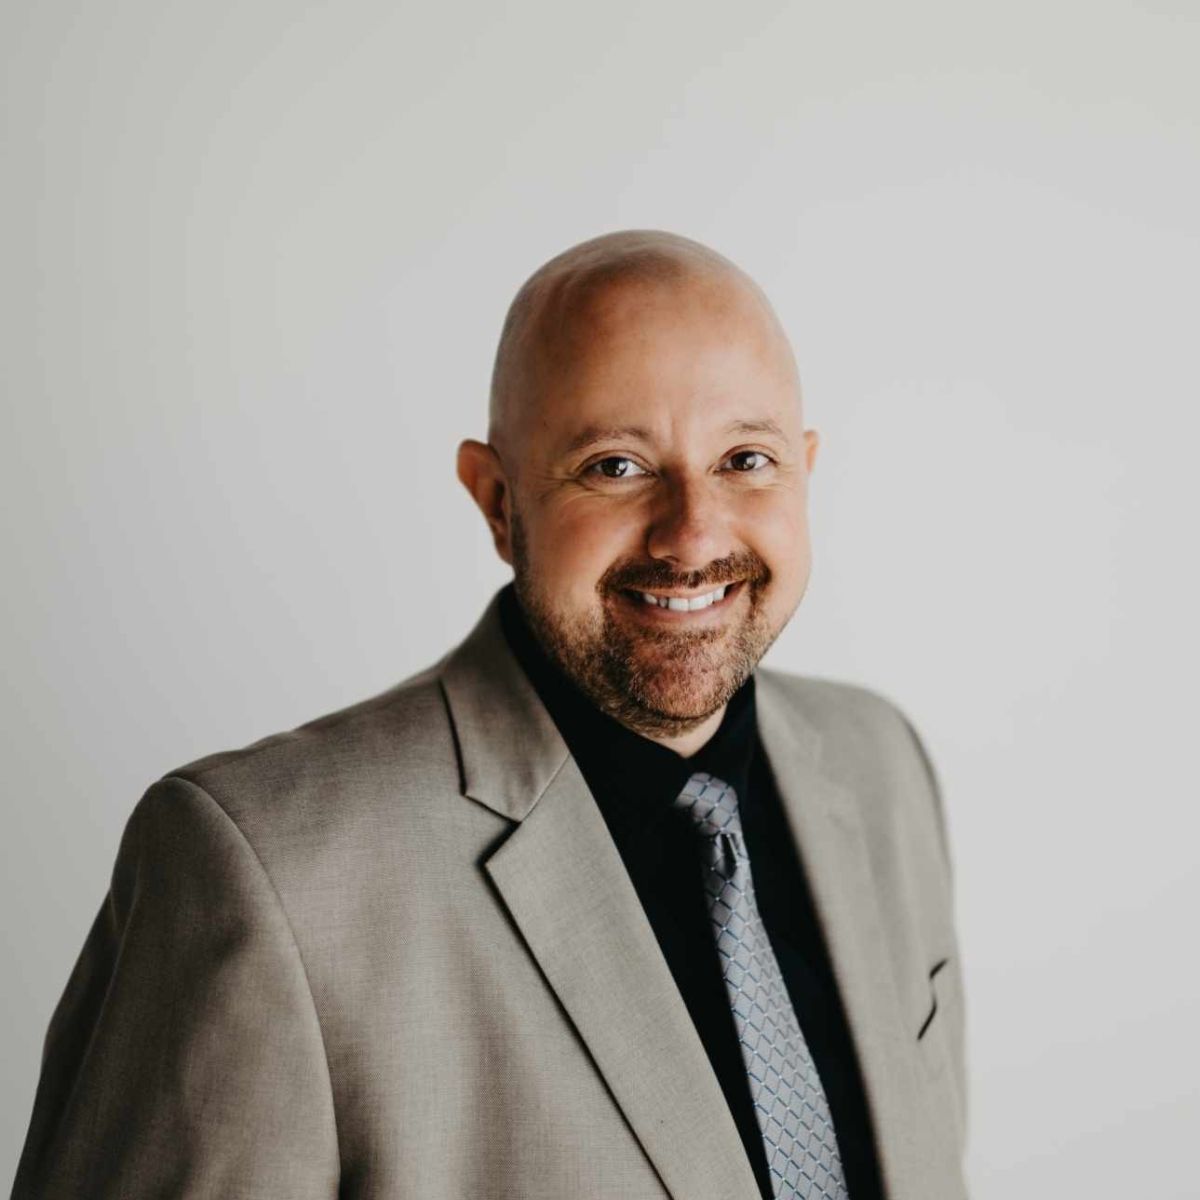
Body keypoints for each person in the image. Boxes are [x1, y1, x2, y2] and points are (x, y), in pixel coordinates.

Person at [11, 230, 968, 1199]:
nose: (693, 534)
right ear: (499, 502)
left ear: (804, 469)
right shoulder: (265, 869)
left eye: (746, 458)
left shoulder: (879, 766)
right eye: (615, 467)